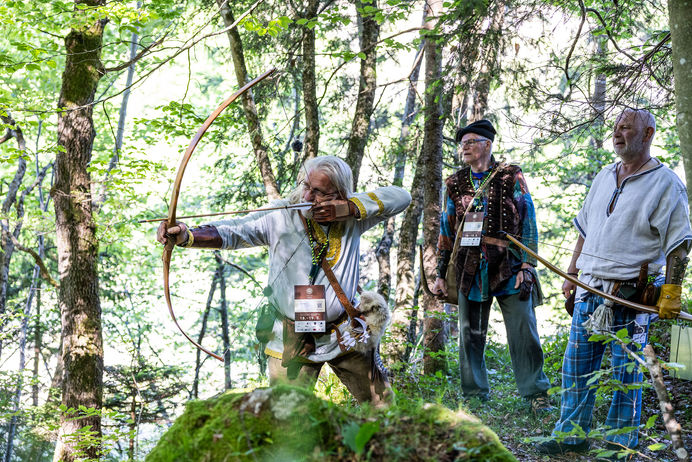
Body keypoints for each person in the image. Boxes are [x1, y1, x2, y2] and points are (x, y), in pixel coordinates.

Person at [157, 155, 411, 406]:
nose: (308, 196)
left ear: (339, 194)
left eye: (319, 192)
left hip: (345, 334)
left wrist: (350, 208)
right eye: (306, 186)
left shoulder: (352, 217)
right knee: (287, 417)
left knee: (381, 407)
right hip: (292, 339)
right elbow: (234, 230)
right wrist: (187, 236)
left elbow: (402, 197)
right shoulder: (280, 214)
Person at [538, 108, 692, 455]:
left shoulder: (666, 183)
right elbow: (585, 228)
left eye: (627, 128)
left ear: (648, 133)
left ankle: (620, 444)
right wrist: (573, 273)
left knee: (627, 374)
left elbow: (679, 245)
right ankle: (570, 436)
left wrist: (671, 292)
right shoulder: (604, 176)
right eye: (616, 127)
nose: (618, 133)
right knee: (576, 369)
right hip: (589, 290)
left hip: (632, 296)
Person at [432, 119, 552, 412]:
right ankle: (475, 396)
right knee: (470, 335)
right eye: (462, 144)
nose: (464, 148)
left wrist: (527, 266)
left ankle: (535, 394)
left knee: (523, 330)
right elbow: (447, 228)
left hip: (509, 265)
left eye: (470, 142)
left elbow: (528, 218)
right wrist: (440, 273)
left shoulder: (511, 175)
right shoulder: (454, 183)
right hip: (469, 267)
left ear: (487, 144)